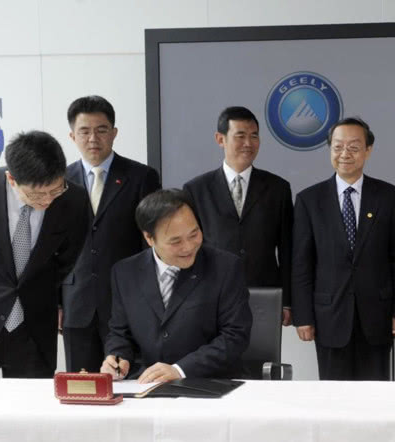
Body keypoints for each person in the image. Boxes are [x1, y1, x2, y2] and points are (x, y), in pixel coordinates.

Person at [0, 131, 88, 377]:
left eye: (55, 190)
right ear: (11, 178)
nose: (47, 201)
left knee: (33, 400)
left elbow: (66, 260)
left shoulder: (74, 199)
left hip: (33, 327)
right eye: (37, 194)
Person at [292, 117, 395, 380]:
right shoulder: (309, 200)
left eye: (354, 147)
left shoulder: (388, 197)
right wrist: (303, 316)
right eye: (338, 147)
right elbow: (302, 265)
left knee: (375, 394)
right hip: (329, 316)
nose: (345, 154)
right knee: (334, 395)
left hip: (377, 316)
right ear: (330, 149)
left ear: (368, 151)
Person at [101, 189, 252, 382]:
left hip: (210, 383)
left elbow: (235, 336)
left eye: (194, 234)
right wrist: (117, 357)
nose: (188, 247)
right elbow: (120, 333)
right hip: (147, 384)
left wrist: (180, 370)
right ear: (149, 238)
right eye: (175, 241)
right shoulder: (125, 272)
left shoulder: (226, 267)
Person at [61, 95, 161, 373]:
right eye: (84, 131)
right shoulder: (60, 181)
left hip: (126, 303)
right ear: (72, 136)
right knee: (82, 384)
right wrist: (57, 302)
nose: (93, 138)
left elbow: (150, 244)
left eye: (101, 130)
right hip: (76, 304)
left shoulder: (142, 177)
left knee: (129, 381)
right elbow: (53, 247)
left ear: (114, 133)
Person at [184, 106, 293, 326]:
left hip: (264, 296)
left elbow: (288, 249)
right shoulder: (196, 189)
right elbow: (189, 248)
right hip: (211, 296)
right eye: (240, 136)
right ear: (220, 139)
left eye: (254, 136)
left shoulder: (278, 188)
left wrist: (288, 301)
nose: (248, 143)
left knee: (262, 349)